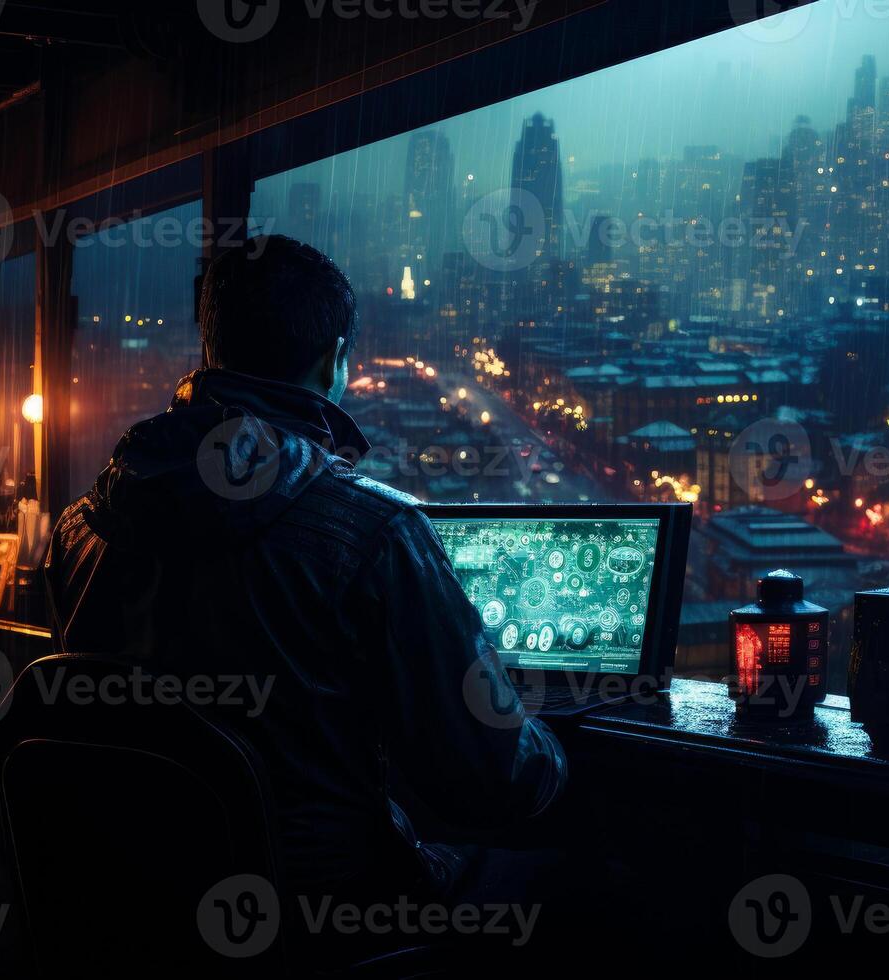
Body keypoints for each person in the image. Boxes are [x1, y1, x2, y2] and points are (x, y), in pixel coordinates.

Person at [44, 236, 566, 940]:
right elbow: (492, 780)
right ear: (334, 359)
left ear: (210, 350)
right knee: (572, 882)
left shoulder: (80, 530)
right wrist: (556, 744)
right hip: (328, 911)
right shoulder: (376, 530)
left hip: (126, 907)